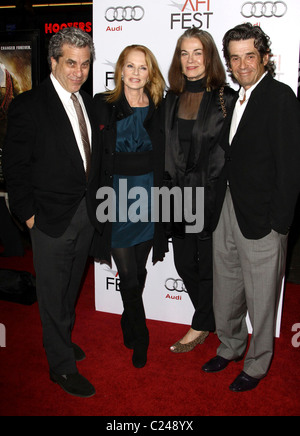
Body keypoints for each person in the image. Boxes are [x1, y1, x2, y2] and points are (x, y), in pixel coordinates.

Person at [3, 27, 101, 398]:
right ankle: (60, 366)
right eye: (71, 63)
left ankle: (59, 339)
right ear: (53, 62)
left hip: (85, 216)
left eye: (85, 64)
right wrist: (28, 216)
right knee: (51, 292)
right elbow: (15, 168)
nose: (78, 71)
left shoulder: (88, 103)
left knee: (69, 290)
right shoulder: (29, 104)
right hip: (48, 220)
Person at [202, 23, 300, 392]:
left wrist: (280, 224)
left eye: (250, 56)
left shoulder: (280, 97)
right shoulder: (235, 97)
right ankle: (229, 346)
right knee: (226, 286)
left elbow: (291, 168)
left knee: (262, 299)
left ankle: (257, 364)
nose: (242, 65)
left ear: (265, 58)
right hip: (228, 206)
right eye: (235, 57)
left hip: (263, 216)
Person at [92, 45, 167, 368]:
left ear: (150, 73)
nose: (136, 73)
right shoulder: (103, 105)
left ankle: (128, 319)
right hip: (116, 199)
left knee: (139, 269)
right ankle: (141, 334)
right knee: (128, 275)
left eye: (143, 67)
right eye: (130, 66)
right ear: (120, 70)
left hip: (150, 198)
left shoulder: (160, 107)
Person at [164, 27, 236, 353]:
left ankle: (200, 323)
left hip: (210, 197)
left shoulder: (226, 98)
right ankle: (208, 317)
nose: (190, 60)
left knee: (208, 266)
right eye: (184, 53)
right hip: (176, 196)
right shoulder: (170, 99)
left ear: (209, 58)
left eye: (198, 53)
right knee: (183, 264)